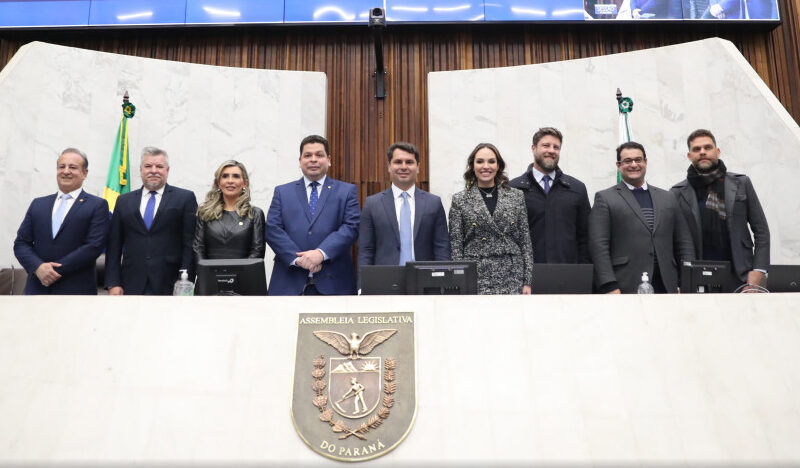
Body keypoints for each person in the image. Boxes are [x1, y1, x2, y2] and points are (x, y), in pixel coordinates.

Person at [671, 129, 770, 292]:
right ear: (689, 156)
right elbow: (675, 240)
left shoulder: (741, 183)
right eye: (696, 149)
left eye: (707, 147)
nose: (702, 152)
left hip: (741, 274)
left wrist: (759, 269)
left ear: (717, 151)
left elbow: (761, 231)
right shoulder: (677, 193)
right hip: (697, 277)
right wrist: (679, 280)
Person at [589, 141, 695, 294]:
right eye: (627, 161)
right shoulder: (605, 198)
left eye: (638, 160)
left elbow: (684, 242)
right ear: (618, 165)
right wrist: (609, 285)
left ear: (645, 162)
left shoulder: (668, 197)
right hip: (625, 285)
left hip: (667, 285)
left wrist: (686, 281)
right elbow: (598, 246)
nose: (633, 164)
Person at [265, 135, 360, 295]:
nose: (313, 160)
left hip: (334, 282)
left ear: (328, 159)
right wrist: (299, 260)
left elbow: (351, 228)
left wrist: (321, 253)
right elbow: (273, 230)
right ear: (300, 160)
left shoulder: (347, 191)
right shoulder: (282, 192)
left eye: (319, 155)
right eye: (308, 155)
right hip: (289, 281)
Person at [13, 148, 110, 294]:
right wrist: (38, 267)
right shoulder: (38, 204)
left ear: (85, 173)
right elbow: (21, 243)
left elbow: (94, 246)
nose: (66, 171)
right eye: (61, 167)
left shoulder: (97, 205)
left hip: (76, 290)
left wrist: (52, 271)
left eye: (73, 167)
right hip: (37, 288)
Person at [105, 146, 197, 295]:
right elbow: (114, 245)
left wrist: (184, 282)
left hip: (171, 283)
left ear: (167, 170)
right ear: (141, 170)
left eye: (159, 166)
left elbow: (190, 244)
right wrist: (113, 283)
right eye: (148, 166)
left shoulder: (185, 198)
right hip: (131, 282)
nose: (153, 170)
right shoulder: (123, 201)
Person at [449, 143, 533, 295]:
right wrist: (459, 281)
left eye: (491, 161)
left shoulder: (516, 196)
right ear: (472, 166)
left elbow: (525, 241)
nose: (485, 166)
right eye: (480, 161)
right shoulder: (459, 200)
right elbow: (456, 246)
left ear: (498, 165)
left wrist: (527, 281)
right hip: (475, 275)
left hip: (512, 274)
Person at [358, 142, 450, 267]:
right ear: (389, 166)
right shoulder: (372, 204)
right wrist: (364, 285)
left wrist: (443, 282)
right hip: (385, 280)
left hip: (424, 279)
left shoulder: (434, 203)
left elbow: (442, 247)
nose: (403, 167)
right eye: (398, 162)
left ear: (418, 167)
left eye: (409, 162)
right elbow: (366, 251)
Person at [509, 127, 590, 264]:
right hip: (527, 277)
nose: (551, 150)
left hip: (568, 276)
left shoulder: (577, 188)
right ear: (533, 148)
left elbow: (586, 237)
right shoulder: (513, 189)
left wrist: (584, 274)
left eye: (556, 147)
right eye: (546, 145)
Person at [193, 160, 265, 261]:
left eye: (236, 176)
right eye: (225, 176)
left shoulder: (255, 214)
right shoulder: (205, 212)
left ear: (245, 183)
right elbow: (198, 248)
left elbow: (257, 251)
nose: (230, 181)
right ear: (218, 183)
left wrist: (238, 273)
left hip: (244, 275)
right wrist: (208, 272)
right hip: (209, 274)